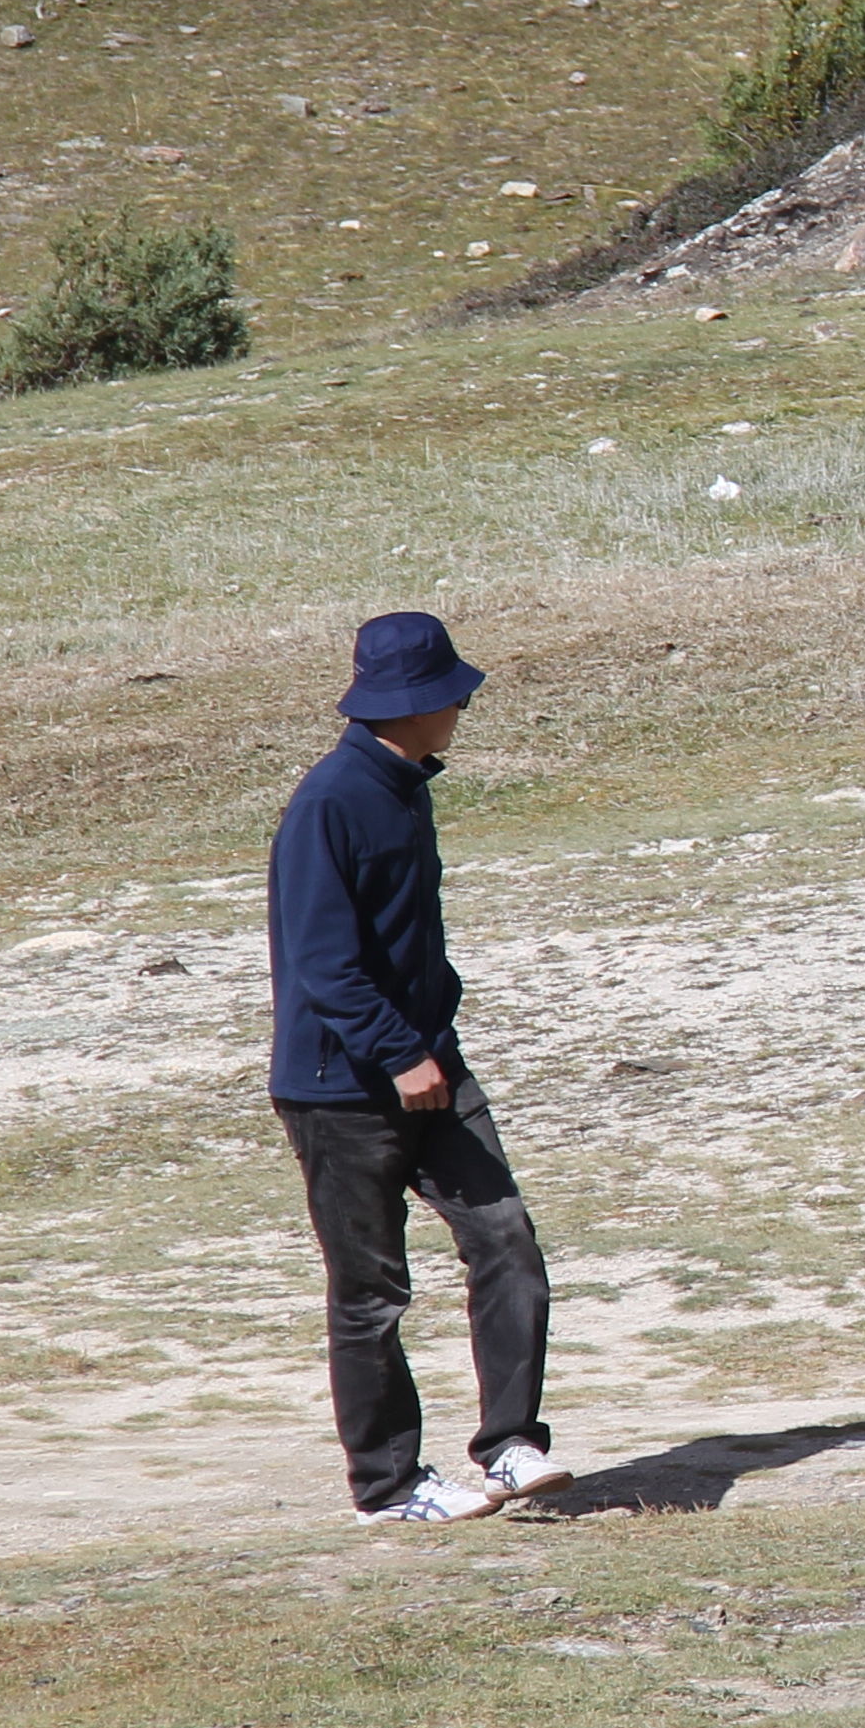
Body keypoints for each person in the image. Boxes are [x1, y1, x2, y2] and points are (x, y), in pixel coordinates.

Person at [267, 611, 572, 1526]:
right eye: (450, 694)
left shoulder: (404, 785)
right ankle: (388, 1488)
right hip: (341, 1090)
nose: (461, 707)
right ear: (415, 703)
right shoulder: (331, 801)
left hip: (430, 1068)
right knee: (371, 1293)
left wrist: (430, 1039)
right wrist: (400, 1054)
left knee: (507, 1244)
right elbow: (324, 963)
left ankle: (510, 1449)